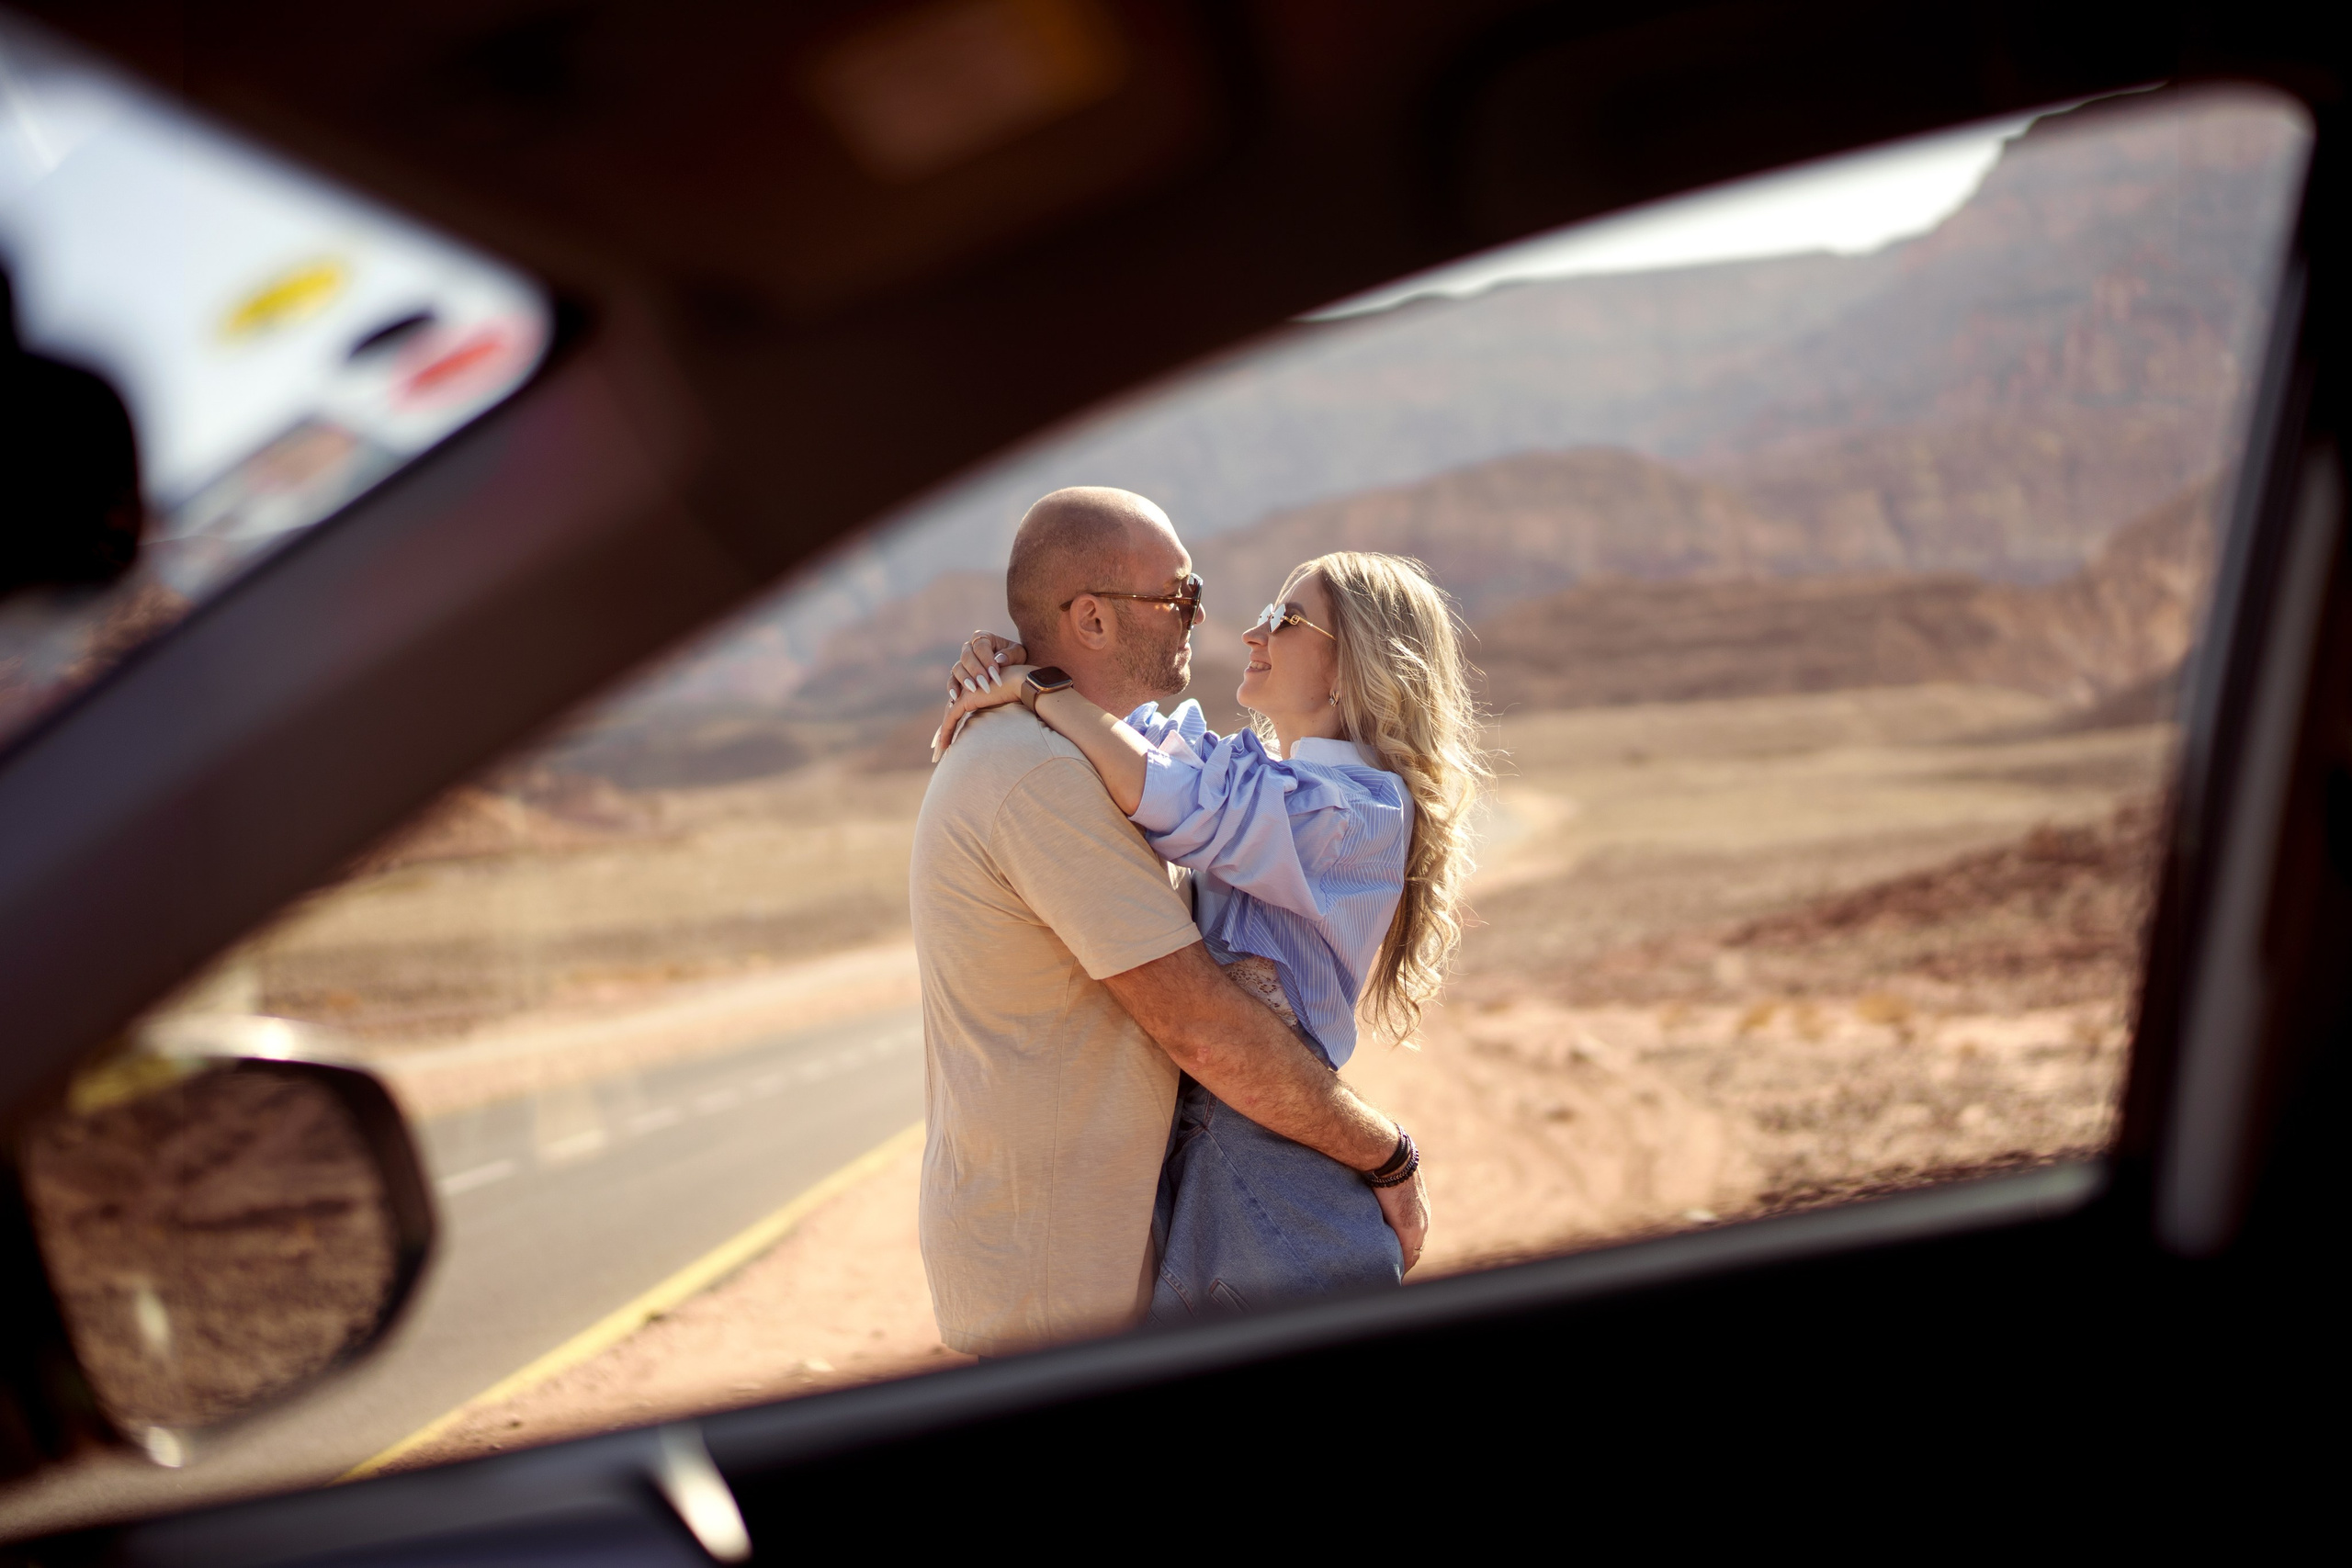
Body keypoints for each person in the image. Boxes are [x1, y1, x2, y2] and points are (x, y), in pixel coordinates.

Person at [910, 487, 1430, 1358]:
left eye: (1282, 620)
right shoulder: (1042, 772)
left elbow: (1176, 776)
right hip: (1061, 1289)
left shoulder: (1091, 756)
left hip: (1118, 1252)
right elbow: (1203, 1024)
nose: (1218, 620)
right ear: (1094, 620)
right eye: (1183, 596)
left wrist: (1036, 678)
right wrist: (1388, 1155)